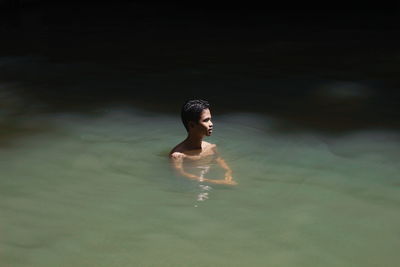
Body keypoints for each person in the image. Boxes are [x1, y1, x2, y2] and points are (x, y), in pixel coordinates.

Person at [169, 99, 237, 186]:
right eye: (206, 120)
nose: (211, 124)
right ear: (192, 125)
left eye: (210, 119)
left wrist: (228, 174)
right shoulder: (177, 155)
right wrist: (217, 182)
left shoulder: (211, 147)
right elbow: (181, 176)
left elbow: (220, 161)